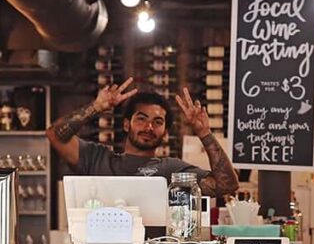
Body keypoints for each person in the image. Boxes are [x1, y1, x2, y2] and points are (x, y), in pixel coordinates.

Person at [45, 78, 239, 198]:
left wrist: (204, 133)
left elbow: (226, 185)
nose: (149, 127)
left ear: (165, 132)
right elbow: (55, 134)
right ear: (126, 124)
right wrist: (96, 107)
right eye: (142, 119)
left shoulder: (172, 169)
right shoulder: (96, 158)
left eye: (157, 121)